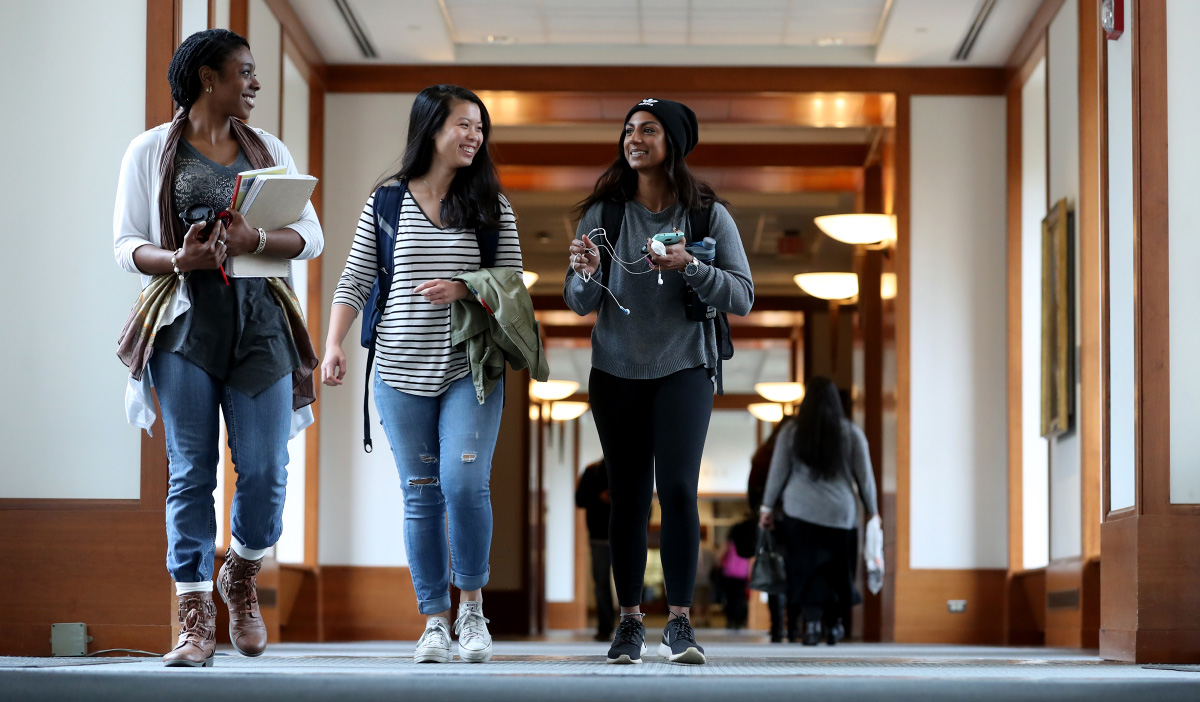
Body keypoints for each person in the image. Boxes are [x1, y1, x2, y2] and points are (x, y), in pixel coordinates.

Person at [113, 29, 323, 667]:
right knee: (192, 471)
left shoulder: (270, 150)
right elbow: (126, 246)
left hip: (260, 324)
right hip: (185, 326)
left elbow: (309, 238)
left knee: (264, 469)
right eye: (244, 73)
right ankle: (196, 611)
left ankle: (242, 572)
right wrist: (179, 257)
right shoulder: (151, 150)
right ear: (210, 78)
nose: (254, 84)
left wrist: (253, 236)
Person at [322, 85, 530, 664]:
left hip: (470, 369)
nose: (473, 137)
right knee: (420, 496)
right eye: (464, 125)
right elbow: (356, 277)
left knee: (464, 485)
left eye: (480, 128)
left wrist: (465, 288)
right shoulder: (386, 203)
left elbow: (513, 288)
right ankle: (434, 620)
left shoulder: (492, 206)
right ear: (431, 129)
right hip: (396, 369)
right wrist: (334, 344)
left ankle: (471, 610)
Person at [564, 97, 754, 665]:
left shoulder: (706, 215)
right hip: (616, 369)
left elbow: (743, 295)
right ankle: (627, 625)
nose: (634, 138)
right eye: (628, 130)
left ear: (673, 141)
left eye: (647, 129)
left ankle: (678, 624)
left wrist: (690, 267)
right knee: (627, 497)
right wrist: (585, 273)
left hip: (685, 369)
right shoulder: (605, 213)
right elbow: (577, 303)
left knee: (676, 490)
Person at [759, 376, 880, 646]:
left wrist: (766, 508)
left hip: (800, 513)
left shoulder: (792, 432)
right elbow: (865, 478)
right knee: (839, 570)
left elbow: (777, 474)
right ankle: (834, 625)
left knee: (804, 570)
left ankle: (811, 624)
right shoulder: (851, 432)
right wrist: (873, 511)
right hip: (841, 515)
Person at [748, 423, 788, 642]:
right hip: (791, 515)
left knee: (774, 569)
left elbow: (752, 490)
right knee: (793, 569)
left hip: (769, 517)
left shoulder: (762, 454)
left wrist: (760, 513)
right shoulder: (791, 449)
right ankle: (795, 623)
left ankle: (777, 626)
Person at [575, 459, 615, 641]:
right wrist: (599, 497)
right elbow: (580, 500)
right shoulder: (592, 471)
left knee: (627, 584)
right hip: (599, 535)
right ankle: (605, 627)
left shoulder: (629, 466)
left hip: (625, 536)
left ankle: (630, 624)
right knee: (601, 585)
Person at [719, 535, 751, 630]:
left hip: (729, 574)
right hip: (742, 574)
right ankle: (738, 621)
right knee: (739, 599)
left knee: (730, 599)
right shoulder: (746, 544)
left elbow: (720, 556)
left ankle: (731, 621)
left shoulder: (729, 544)